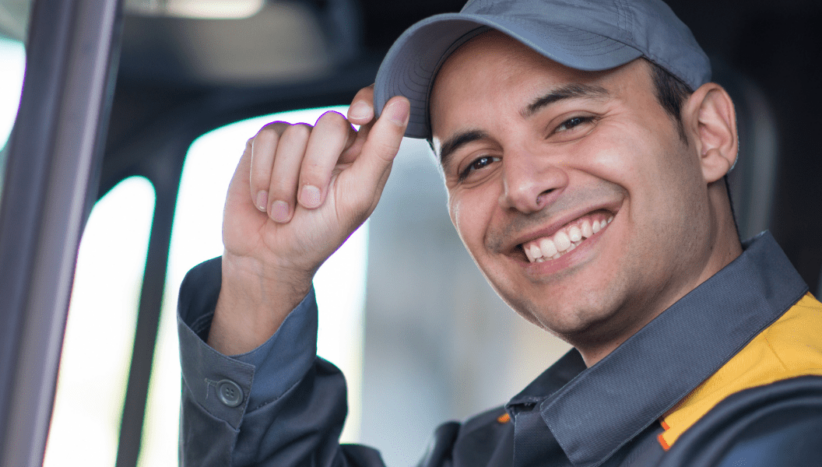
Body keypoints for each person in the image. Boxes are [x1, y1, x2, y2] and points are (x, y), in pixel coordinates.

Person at [176, 0, 822, 465]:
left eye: (571, 121)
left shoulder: (784, 422)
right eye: (478, 162)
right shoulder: (508, 445)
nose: (521, 187)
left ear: (708, 135)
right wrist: (267, 277)